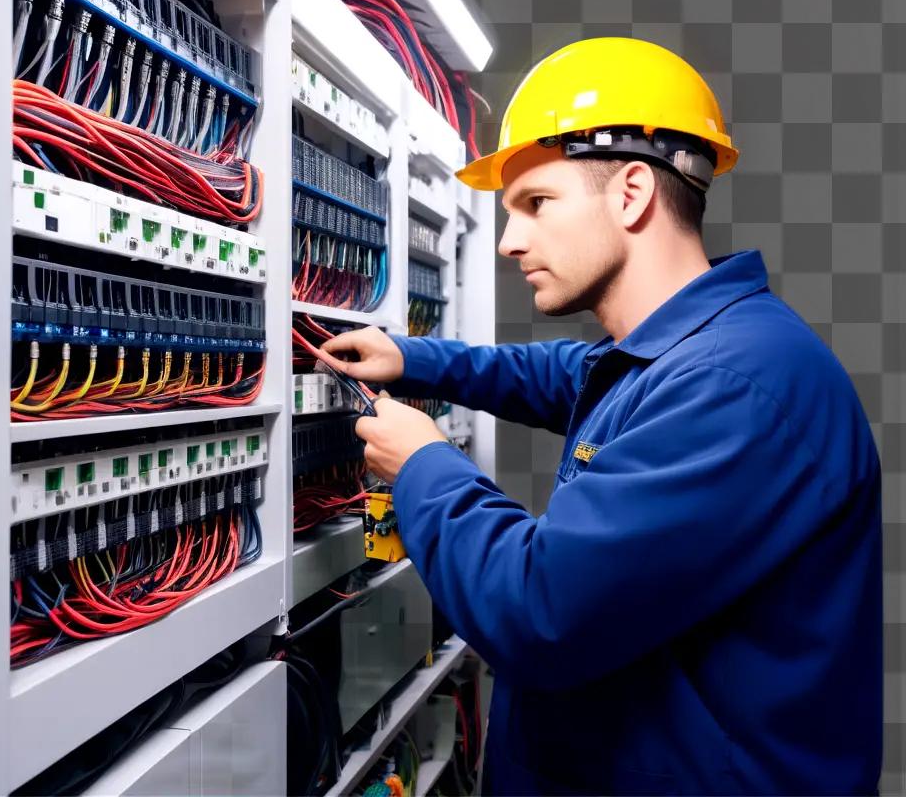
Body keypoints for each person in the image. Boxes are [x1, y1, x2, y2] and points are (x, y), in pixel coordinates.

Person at [320, 38, 883, 796]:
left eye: (536, 203)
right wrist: (413, 358)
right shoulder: (681, 354)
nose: (511, 239)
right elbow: (556, 373)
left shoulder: (738, 385)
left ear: (631, 192)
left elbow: (536, 612)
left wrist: (422, 463)